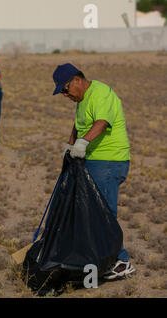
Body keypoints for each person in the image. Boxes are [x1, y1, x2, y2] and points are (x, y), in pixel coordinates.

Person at [53, 63, 135, 280]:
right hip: (93, 160)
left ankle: (121, 261)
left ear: (77, 80)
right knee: (92, 211)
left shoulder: (100, 92)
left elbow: (101, 122)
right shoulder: (82, 100)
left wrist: (82, 143)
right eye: (61, 91)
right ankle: (101, 258)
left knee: (104, 212)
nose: (64, 94)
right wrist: (71, 144)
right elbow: (79, 125)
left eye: (65, 88)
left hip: (109, 161)